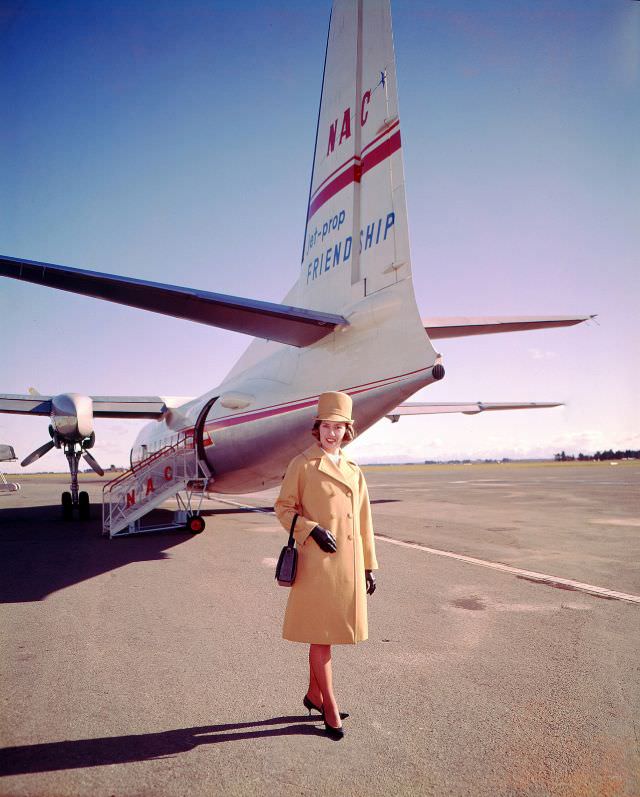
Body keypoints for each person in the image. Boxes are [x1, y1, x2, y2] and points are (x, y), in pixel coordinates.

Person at [274, 391, 378, 740]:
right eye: (326, 427)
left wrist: (368, 566)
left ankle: (313, 695)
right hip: (317, 567)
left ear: (348, 431)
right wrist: (311, 529)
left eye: (339, 427)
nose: (332, 433)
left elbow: (364, 521)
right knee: (322, 639)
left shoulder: (353, 469)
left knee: (325, 637)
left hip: (348, 568)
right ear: (316, 429)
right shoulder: (301, 464)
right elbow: (284, 508)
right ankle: (329, 708)